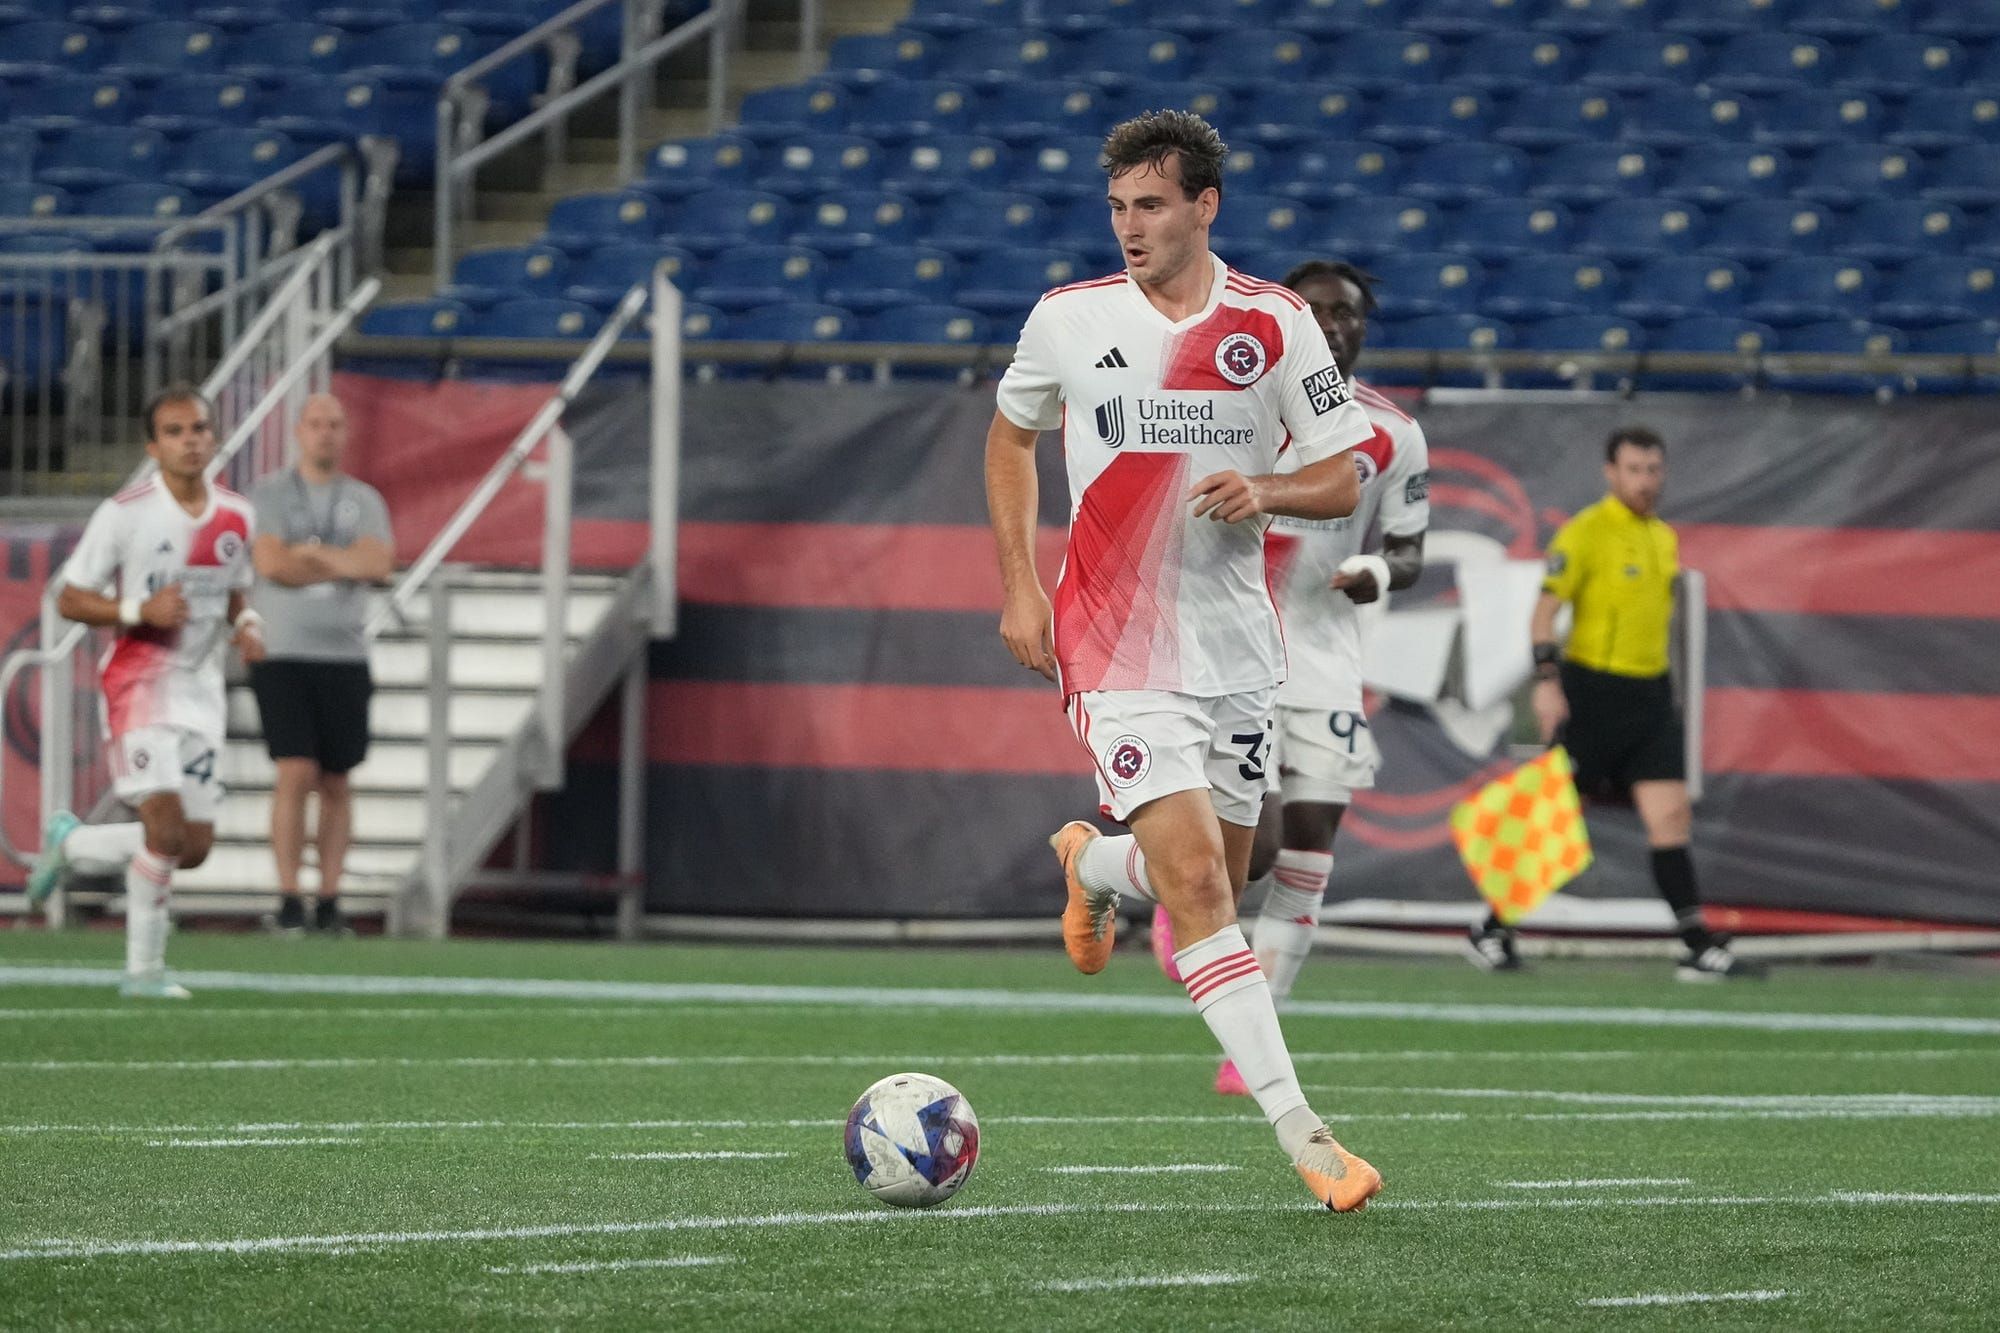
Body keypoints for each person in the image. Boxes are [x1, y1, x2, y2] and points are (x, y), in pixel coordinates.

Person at [984, 110, 1384, 1211]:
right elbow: (1010, 436)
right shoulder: (1068, 320)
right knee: (1205, 884)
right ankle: (1307, 1139)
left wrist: (1266, 488)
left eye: (1149, 205)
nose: (1129, 227)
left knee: (1236, 864)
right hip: (1114, 646)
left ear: (1204, 205)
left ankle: (1090, 866)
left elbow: (1343, 475)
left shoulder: (1274, 322)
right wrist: (1022, 583)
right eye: (1116, 208)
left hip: (1237, 646)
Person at [1153, 259, 1430, 1097]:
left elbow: (1409, 545)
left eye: (1345, 313)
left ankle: (1252, 1039)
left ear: (1362, 326)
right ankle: (1160, 884)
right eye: (1313, 310)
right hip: (1234, 650)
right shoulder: (1232, 406)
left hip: (1325, 660)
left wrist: (1377, 576)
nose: (1331, 324)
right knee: (1256, 848)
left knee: (1309, 848)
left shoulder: (1392, 434)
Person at [1468, 426, 1762, 981]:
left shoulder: (1663, 538)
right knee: (1553, 819)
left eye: (1653, 470)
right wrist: (1548, 680)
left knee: (1670, 816)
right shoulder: (1585, 533)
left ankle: (1696, 945)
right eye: (1634, 470)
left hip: (1649, 696)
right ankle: (1492, 929)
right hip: (1592, 693)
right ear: (1611, 473)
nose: (1646, 482)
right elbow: (1543, 613)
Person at [24, 385, 263, 998]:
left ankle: (73, 842)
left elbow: (235, 588)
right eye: (175, 431)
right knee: (163, 830)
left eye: (199, 429)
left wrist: (247, 625)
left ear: (214, 437)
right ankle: (144, 974)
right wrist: (139, 607)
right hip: (139, 686)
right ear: (153, 445)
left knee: (195, 847)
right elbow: (69, 595)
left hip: (201, 690)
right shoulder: (126, 513)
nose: (190, 441)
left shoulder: (237, 515)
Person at [248, 392, 394, 936]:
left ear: (345, 431)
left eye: (335, 423)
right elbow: (272, 563)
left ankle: (329, 899)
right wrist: (341, 562)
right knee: (295, 770)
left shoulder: (364, 498)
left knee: (337, 778)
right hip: (283, 650)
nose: (325, 433)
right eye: (316, 424)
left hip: (345, 653)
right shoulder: (270, 494)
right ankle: (289, 895)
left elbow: (378, 562)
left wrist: (313, 555)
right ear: (298, 431)